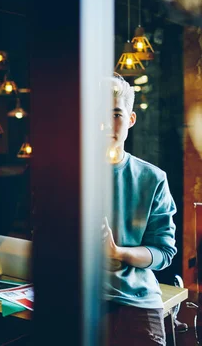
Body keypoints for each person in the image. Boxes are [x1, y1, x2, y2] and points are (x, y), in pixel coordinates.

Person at [102, 74, 178, 345]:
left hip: (135, 302)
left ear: (131, 120)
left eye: (115, 113)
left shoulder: (152, 178)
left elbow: (164, 252)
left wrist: (118, 253)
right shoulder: (67, 174)